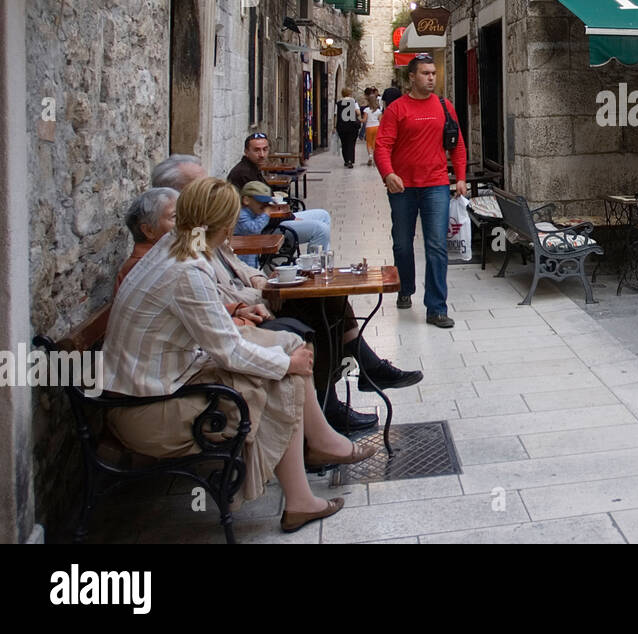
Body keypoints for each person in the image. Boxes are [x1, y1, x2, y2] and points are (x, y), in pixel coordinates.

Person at [105, 177, 377, 531]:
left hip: (157, 383)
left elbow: (207, 328)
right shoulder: (187, 269)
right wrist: (285, 364)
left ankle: (319, 450)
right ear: (223, 223)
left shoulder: (175, 246)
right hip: (150, 407)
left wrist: (253, 330)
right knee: (286, 375)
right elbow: (228, 352)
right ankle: (301, 495)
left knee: (290, 346)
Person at [144, 159, 423, 431]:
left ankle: (352, 384)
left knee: (326, 298)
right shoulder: (185, 247)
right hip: (224, 333)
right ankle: (336, 402)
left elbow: (230, 265)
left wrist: (258, 280)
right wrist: (255, 299)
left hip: (239, 309)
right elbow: (213, 300)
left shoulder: (193, 235)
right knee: (312, 315)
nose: (208, 189)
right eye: (200, 186)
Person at [376, 53, 468, 327]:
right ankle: (405, 288)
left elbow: (457, 144)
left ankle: (437, 308)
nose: (431, 78)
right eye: (425, 73)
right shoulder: (397, 109)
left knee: (437, 246)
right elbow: (382, 146)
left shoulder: (444, 106)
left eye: (433, 73)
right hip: (402, 187)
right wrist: (388, 173)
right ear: (412, 77)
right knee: (402, 244)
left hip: (436, 185)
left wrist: (460, 177)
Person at [228, 133, 332, 251]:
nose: (262, 155)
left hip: (273, 219)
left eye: (265, 149)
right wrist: (290, 218)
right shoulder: (243, 174)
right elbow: (260, 209)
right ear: (246, 152)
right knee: (320, 230)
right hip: (265, 226)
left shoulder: (252, 169)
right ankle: (314, 266)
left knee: (323, 215)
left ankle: (323, 258)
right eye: (256, 150)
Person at [116, 187, 177, 291]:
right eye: (175, 216)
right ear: (149, 230)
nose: (186, 221)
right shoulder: (146, 267)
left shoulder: (166, 256)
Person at [233, 181, 274, 266]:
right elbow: (253, 229)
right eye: (260, 202)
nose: (264, 206)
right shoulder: (241, 214)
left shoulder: (254, 213)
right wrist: (265, 215)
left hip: (250, 255)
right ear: (246, 200)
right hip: (241, 260)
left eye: (266, 203)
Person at [336, 87, 363, 169]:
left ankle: (346, 160)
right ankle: (350, 160)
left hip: (342, 126)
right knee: (351, 143)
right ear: (350, 93)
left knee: (344, 143)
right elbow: (358, 112)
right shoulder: (353, 102)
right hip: (352, 126)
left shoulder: (338, 103)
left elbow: (335, 114)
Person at [362, 88, 383, 167]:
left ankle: (370, 156)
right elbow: (381, 121)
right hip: (377, 127)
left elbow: (364, 120)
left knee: (369, 143)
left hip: (369, 127)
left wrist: (359, 119)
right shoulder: (378, 111)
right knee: (375, 143)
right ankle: (375, 157)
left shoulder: (366, 110)